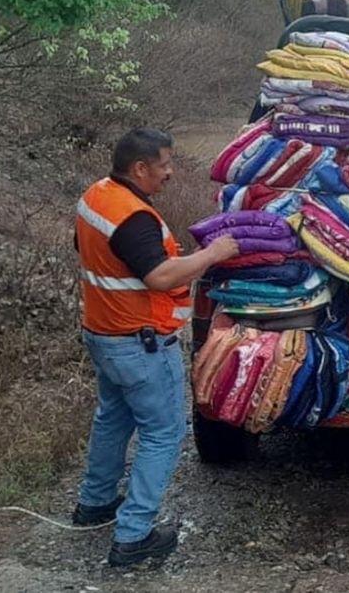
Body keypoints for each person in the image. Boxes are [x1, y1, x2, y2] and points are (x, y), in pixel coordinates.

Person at [71, 127, 239, 567]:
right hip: (140, 343)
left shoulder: (96, 197)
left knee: (113, 418)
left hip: (104, 335)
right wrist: (213, 254)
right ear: (139, 168)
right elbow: (160, 277)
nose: (170, 172)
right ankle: (134, 535)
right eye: (164, 164)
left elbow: (100, 256)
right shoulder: (133, 217)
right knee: (164, 433)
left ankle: (95, 503)